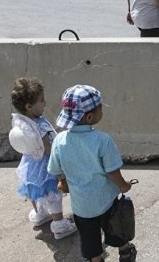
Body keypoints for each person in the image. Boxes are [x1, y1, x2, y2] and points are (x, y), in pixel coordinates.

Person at [48, 85, 137, 262]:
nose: (102, 110)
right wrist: (123, 185)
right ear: (89, 116)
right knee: (115, 226)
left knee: (89, 238)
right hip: (106, 201)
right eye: (100, 108)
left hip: (82, 207)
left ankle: (96, 259)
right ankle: (125, 251)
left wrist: (63, 182)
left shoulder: (59, 141)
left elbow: (56, 171)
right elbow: (112, 171)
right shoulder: (102, 141)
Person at [10, 78, 77, 239]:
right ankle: (59, 224)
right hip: (46, 164)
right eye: (41, 100)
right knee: (52, 193)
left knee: (34, 189)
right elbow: (47, 147)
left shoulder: (21, 121)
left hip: (30, 162)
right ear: (29, 106)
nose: (45, 103)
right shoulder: (40, 124)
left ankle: (39, 213)